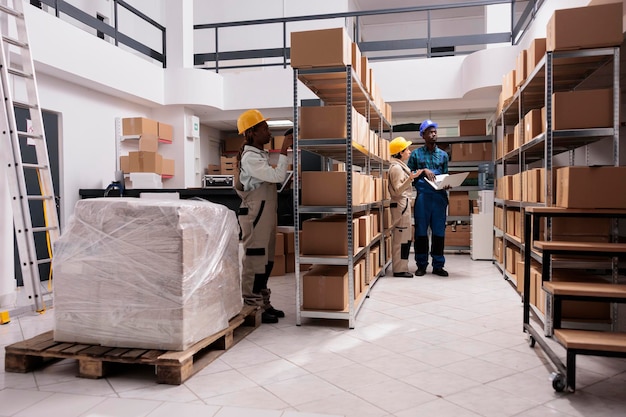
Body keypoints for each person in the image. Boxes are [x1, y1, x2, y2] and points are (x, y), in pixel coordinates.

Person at [235, 109, 293, 323]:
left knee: (266, 261)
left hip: (265, 212)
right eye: (265, 129)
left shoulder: (259, 155)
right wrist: (285, 149)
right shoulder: (251, 158)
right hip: (256, 214)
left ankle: (263, 302)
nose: (268, 133)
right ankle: (252, 305)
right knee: (255, 259)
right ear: (252, 132)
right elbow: (277, 177)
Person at [407, 119, 450, 277]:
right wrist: (423, 170)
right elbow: (409, 175)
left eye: (435, 132)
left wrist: (447, 183)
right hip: (423, 198)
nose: (433, 134)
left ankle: (438, 265)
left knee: (439, 232)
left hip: (439, 198)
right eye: (430, 132)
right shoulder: (416, 154)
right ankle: (421, 264)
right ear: (423, 135)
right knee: (421, 233)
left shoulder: (443, 155)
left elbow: (445, 174)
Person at [388, 137, 423, 278]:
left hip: (404, 205)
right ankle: (399, 269)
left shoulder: (400, 166)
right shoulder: (396, 168)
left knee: (405, 238)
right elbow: (396, 191)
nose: (409, 151)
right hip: (401, 206)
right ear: (400, 152)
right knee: (401, 238)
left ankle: (402, 267)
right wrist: (410, 179)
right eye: (407, 149)